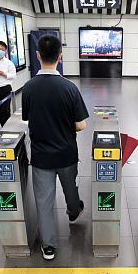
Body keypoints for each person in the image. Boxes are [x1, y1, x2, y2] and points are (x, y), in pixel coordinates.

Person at [22, 35, 89, 260]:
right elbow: (81, 125)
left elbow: (27, 118)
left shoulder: (29, 88)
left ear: (38, 55)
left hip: (41, 156)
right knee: (70, 190)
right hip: (67, 154)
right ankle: (73, 212)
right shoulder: (69, 88)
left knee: (44, 202)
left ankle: (49, 246)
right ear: (60, 57)